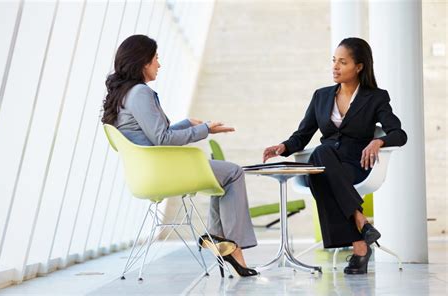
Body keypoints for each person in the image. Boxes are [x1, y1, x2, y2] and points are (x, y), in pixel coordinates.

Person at [101, 34, 258, 277]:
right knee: (233, 172)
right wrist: (203, 130)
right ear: (143, 62)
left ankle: (219, 240)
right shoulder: (140, 93)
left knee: (223, 176)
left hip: (151, 171)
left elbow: (155, 136)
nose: (159, 64)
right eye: (156, 58)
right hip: (163, 171)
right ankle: (233, 249)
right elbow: (162, 139)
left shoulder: (124, 95)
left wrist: (190, 125)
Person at [263, 37, 407, 274]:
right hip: (324, 165)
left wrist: (378, 140)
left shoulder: (376, 97)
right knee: (322, 156)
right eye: (334, 61)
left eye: (343, 62)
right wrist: (282, 147)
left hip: (353, 166)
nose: (335, 67)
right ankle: (360, 226)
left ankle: (360, 245)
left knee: (321, 161)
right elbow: (302, 135)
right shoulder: (321, 96)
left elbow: (399, 133)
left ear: (359, 66)